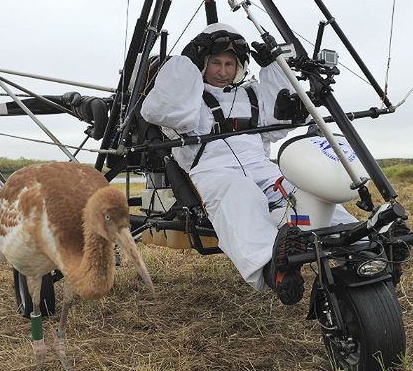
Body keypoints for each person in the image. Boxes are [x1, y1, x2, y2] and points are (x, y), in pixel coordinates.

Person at [141, 23, 357, 304]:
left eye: (229, 63)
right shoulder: (189, 98)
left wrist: (274, 70)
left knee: (299, 191)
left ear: (239, 65)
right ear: (203, 64)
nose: (222, 71)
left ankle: (356, 242)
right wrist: (185, 66)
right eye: (215, 62)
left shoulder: (252, 93)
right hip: (213, 170)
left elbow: (280, 123)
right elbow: (160, 111)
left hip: (261, 166)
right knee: (240, 193)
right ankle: (274, 265)